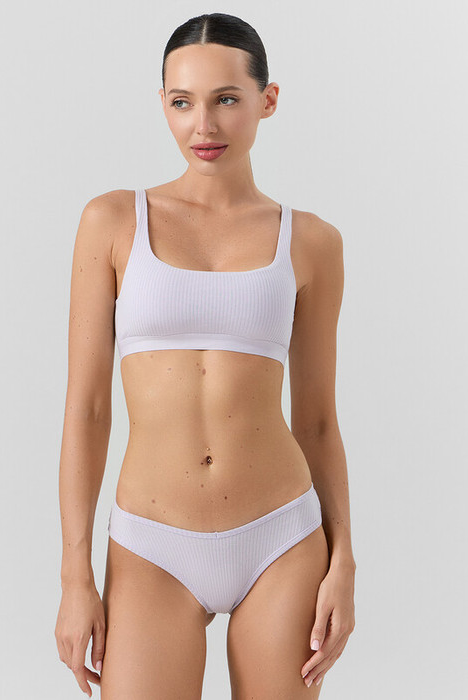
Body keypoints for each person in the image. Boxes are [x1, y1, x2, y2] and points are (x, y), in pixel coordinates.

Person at [55, 12, 356, 699]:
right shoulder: (112, 221)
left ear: (267, 100)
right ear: (161, 103)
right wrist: (75, 576)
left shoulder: (312, 242)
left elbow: (316, 420)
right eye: (182, 102)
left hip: (281, 536)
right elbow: (87, 409)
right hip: (151, 544)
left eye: (226, 99)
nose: (204, 125)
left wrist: (343, 561)